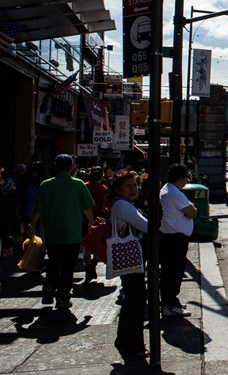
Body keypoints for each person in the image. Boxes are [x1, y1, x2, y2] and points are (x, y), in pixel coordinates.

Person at [29, 154, 95, 309]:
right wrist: (91, 223)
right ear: (71, 166)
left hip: (52, 231)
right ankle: (63, 297)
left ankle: (49, 285)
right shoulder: (78, 184)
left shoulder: (45, 185)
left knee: (53, 260)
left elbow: (38, 208)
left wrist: (32, 225)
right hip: (71, 232)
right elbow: (87, 207)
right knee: (68, 265)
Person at [107, 173, 149, 360]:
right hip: (131, 259)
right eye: (128, 186)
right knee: (136, 300)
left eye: (135, 185)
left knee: (132, 299)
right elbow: (146, 226)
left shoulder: (121, 204)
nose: (133, 189)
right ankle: (132, 346)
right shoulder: (123, 205)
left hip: (130, 259)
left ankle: (124, 340)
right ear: (117, 189)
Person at [159, 163, 197, 318]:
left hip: (171, 236)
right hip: (175, 238)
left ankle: (171, 301)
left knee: (170, 270)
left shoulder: (167, 190)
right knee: (174, 271)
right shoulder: (175, 193)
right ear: (180, 178)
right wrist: (192, 209)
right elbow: (192, 213)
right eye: (186, 177)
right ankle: (169, 304)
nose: (187, 180)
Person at [83, 167, 108, 282]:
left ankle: (88, 266)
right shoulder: (103, 188)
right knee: (98, 244)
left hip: (84, 218)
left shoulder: (84, 186)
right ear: (101, 176)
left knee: (87, 245)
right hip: (99, 219)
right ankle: (93, 263)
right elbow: (105, 204)